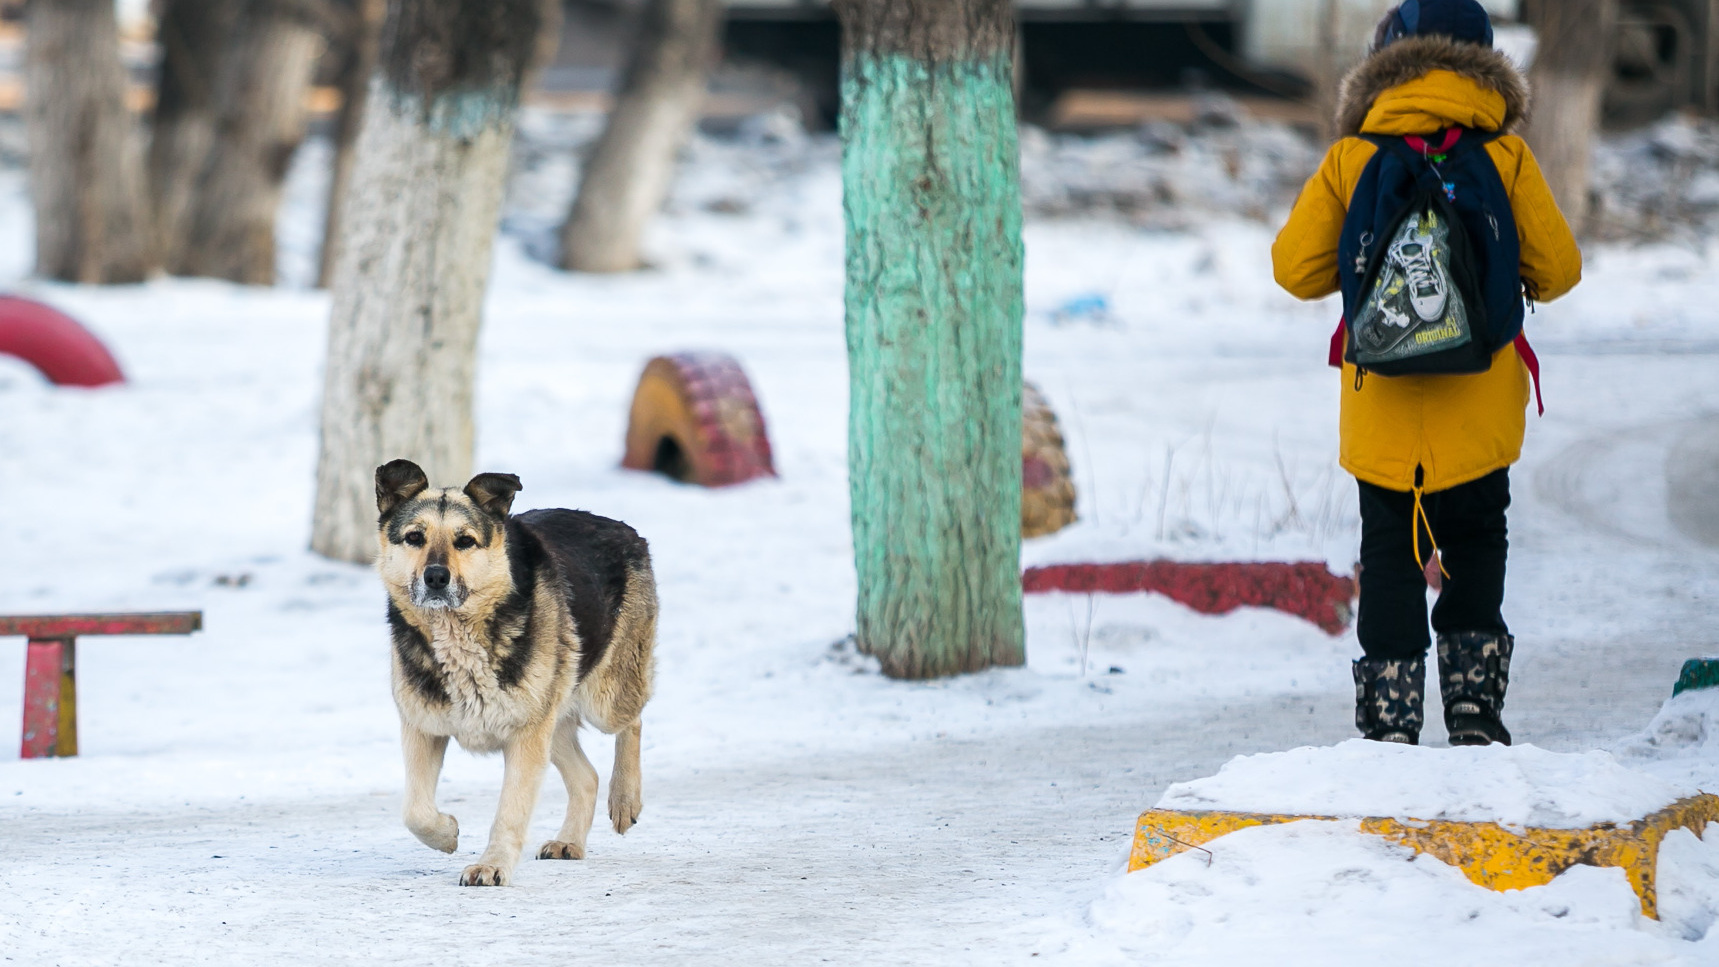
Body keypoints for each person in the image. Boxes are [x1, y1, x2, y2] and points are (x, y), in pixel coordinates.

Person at [1272, 0, 1582, 746]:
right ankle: (1474, 711)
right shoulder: (1503, 157)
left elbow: (1295, 269)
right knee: (1476, 537)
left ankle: (1388, 721)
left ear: (1385, 62)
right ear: (1485, 66)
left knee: (1389, 549)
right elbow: (1559, 269)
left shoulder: (1355, 157)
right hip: (1478, 399)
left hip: (1380, 403)